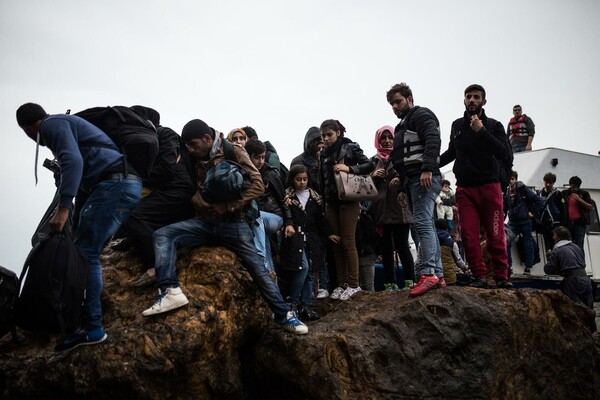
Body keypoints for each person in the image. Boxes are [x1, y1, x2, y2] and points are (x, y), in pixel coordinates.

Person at [141, 119, 307, 335]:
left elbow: (257, 185)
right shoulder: (194, 157)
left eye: (193, 144)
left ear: (207, 139)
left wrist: (227, 206)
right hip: (205, 222)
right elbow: (191, 188)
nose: (191, 149)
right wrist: (197, 201)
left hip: (234, 223)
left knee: (257, 268)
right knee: (164, 235)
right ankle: (169, 290)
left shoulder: (233, 151)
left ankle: (283, 315)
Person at [16, 103, 142, 351]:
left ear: (27, 127)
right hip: (123, 185)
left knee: (86, 253)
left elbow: (73, 160)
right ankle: (85, 321)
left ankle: (91, 327)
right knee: (87, 250)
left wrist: (63, 209)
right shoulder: (65, 126)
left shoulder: (52, 124)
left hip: (114, 186)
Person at [439, 84, 512, 289]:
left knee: (495, 234)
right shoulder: (457, 125)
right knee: (469, 236)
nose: (472, 100)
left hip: (490, 186)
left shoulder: (494, 125)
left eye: (476, 97)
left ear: (483, 101)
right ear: (464, 100)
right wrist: (430, 163)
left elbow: (503, 153)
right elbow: (451, 152)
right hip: (465, 188)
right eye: (468, 96)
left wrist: (481, 131)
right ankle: (479, 276)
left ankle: (501, 276)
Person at [115, 108, 196, 287]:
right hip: (166, 189)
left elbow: (167, 168)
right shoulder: (145, 139)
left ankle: (155, 266)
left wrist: (138, 179)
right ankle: (135, 238)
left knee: (135, 215)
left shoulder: (164, 134)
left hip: (179, 190)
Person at [387, 82, 444, 297]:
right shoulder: (404, 124)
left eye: (398, 101)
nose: (395, 106)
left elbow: (432, 139)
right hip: (413, 180)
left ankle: (429, 273)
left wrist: (428, 168)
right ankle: (437, 274)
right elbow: (402, 160)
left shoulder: (420, 115)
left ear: (410, 99)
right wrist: (402, 186)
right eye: (392, 103)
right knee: (425, 223)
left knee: (422, 223)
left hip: (423, 178)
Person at [318, 119, 373, 300]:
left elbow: (369, 164)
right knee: (337, 244)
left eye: (329, 134)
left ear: (338, 133)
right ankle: (341, 284)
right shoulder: (323, 154)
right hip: (330, 202)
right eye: (323, 135)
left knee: (349, 242)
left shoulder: (350, 147)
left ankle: (354, 284)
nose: (326, 139)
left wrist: (349, 168)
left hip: (349, 200)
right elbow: (322, 180)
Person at [281, 165, 330, 319]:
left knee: (309, 272)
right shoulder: (287, 196)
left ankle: (306, 306)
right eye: (298, 179)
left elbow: (320, 220)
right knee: (303, 268)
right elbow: (284, 214)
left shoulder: (315, 197)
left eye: (305, 179)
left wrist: (329, 234)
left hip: (312, 238)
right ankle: (293, 303)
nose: (302, 182)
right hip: (295, 238)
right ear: (292, 179)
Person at [369, 125, 415, 290]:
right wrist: (373, 177)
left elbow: (411, 175)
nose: (387, 141)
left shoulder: (402, 157)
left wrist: (400, 179)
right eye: (383, 138)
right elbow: (364, 184)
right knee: (386, 248)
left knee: (403, 245)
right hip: (381, 209)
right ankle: (390, 284)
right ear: (378, 140)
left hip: (400, 208)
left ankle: (411, 282)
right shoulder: (373, 161)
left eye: (390, 137)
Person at [245, 139, 291, 273]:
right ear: (248, 156)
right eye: (257, 157)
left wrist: (289, 222)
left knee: (256, 217)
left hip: (275, 217)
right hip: (258, 221)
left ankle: (260, 257)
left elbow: (283, 199)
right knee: (263, 238)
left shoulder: (270, 173)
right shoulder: (244, 173)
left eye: (263, 157)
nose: (260, 161)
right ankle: (269, 275)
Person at [544, 226, 596, 332]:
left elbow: (549, 269)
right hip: (586, 280)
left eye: (554, 235)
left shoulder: (557, 249)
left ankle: (579, 335)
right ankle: (593, 334)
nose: (553, 238)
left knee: (575, 309)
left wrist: (550, 257)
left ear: (558, 237)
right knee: (589, 310)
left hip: (573, 281)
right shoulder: (576, 247)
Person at [504, 171, 544, 275]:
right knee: (505, 241)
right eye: (509, 178)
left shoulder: (523, 189)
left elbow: (539, 200)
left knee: (528, 244)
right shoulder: (507, 191)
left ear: (516, 179)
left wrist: (534, 213)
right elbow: (505, 207)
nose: (510, 181)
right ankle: (508, 266)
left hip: (525, 221)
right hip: (513, 222)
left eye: (512, 179)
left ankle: (528, 267)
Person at [562, 176, 594, 257]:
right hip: (568, 224)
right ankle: (571, 265)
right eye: (572, 187)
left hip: (579, 224)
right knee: (568, 246)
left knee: (579, 246)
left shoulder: (584, 194)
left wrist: (579, 199)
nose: (574, 189)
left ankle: (581, 266)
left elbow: (590, 207)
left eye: (576, 187)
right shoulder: (565, 193)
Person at [536, 172, 565, 253]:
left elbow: (562, 209)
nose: (548, 184)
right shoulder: (539, 193)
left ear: (553, 183)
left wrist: (562, 223)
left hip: (554, 222)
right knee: (547, 242)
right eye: (546, 182)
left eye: (550, 183)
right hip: (543, 222)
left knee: (556, 242)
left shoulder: (557, 193)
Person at [435, 219, 467, 286]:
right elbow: (459, 261)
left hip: (434, 278)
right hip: (449, 278)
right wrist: (464, 268)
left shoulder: (428, 242)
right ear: (446, 229)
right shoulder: (452, 243)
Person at [291, 126, 323, 191]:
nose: (320, 144)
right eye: (317, 141)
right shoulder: (299, 160)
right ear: (310, 143)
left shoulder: (326, 159)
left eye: (321, 140)